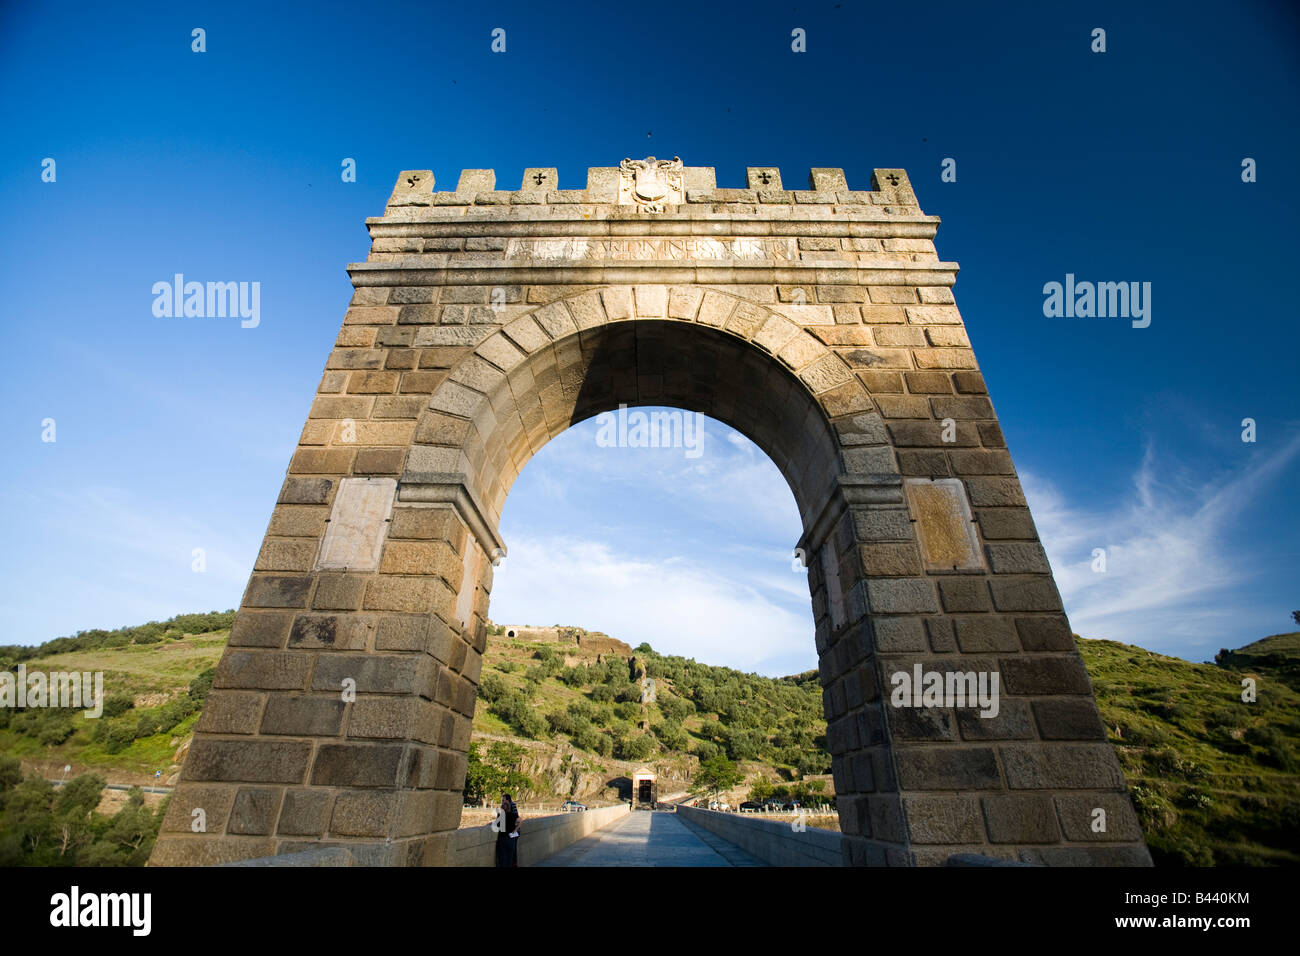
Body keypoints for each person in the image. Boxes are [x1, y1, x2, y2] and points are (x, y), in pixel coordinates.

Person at [494, 792, 520, 867]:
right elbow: (519, 820)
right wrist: (515, 829)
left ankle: (514, 863)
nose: (502, 802)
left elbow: (499, 825)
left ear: (507, 801)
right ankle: (514, 863)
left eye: (503, 800)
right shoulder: (513, 814)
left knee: (503, 858)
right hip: (511, 835)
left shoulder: (502, 813)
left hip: (505, 837)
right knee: (510, 856)